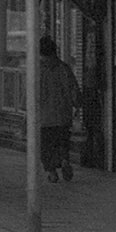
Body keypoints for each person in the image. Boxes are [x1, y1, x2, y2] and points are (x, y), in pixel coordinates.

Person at [39, 35, 79, 183]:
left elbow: (30, 93)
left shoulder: (38, 70)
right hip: (63, 115)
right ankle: (64, 160)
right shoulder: (64, 68)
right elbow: (73, 89)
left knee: (46, 147)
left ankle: (52, 172)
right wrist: (76, 104)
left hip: (44, 118)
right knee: (62, 142)